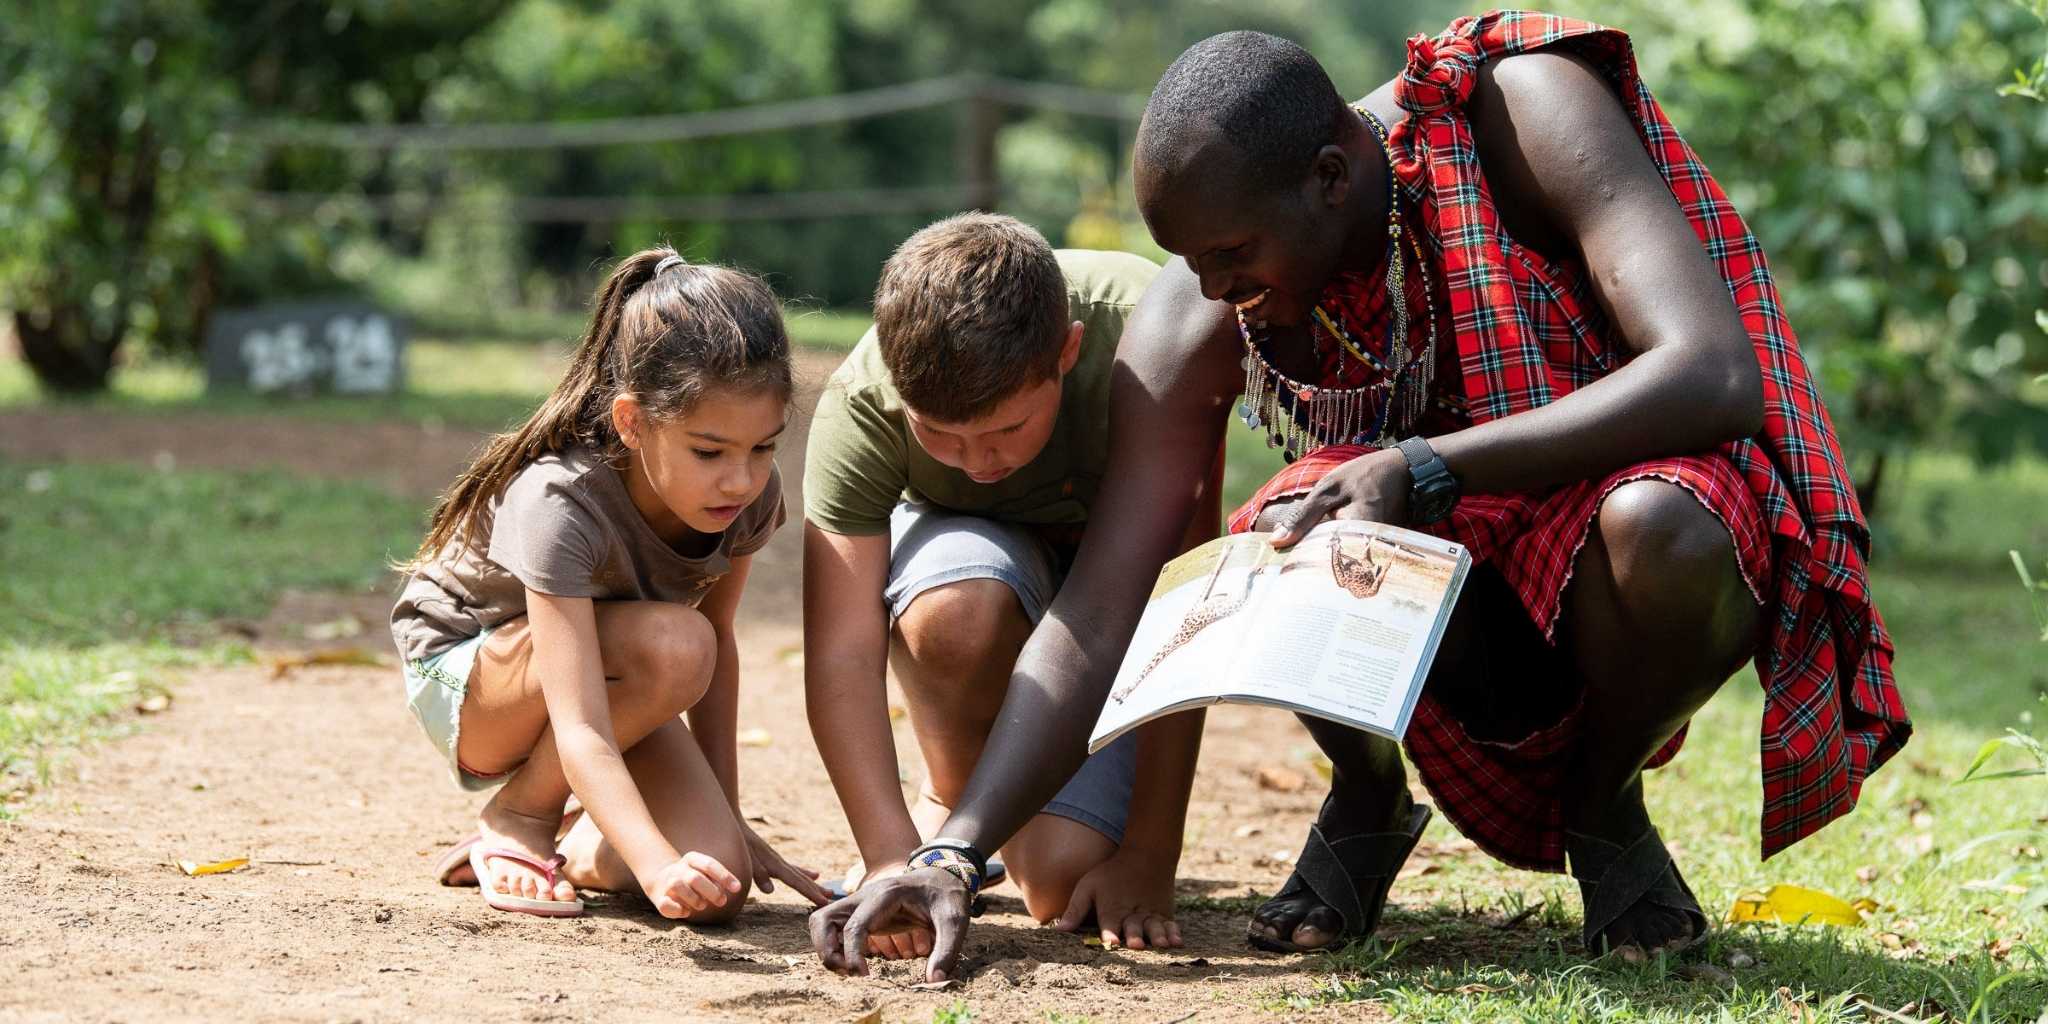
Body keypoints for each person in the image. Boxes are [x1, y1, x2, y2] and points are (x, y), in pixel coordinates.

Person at [810, 14, 1910, 980]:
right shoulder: (1200, 317)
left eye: (1229, 253)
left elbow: (1710, 372)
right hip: (1461, 577)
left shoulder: (1514, 109)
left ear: (1330, 178)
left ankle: (1602, 807)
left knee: (1660, 527)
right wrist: (951, 847)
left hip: (1628, 510)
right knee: (1288, 537)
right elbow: (1099, 611)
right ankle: (1365, 796)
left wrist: (1431, 465)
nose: (1209, 290)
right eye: (1185, 261)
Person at [804, 213, 1215, 957]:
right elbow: (840, 651)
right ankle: (956, 808)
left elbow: (1185, 600)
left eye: (1005, 429)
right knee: (955, 615)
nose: (977, 461)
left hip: (1119, 594)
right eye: (939, 435)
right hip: (978, 570)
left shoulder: (1153, 339)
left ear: (1068, 353)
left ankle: (996, 829)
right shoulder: (865, 399)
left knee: (1062, 880)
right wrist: (887, 854)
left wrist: (1153, 851)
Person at [392, 248, 830, 920]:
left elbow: (720, 645)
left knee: (719, 885)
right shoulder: (559, 501)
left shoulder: (747, 499)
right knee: (677, 646)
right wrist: (655, 864)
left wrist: (727, 819)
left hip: (621, 672)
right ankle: (520, 817)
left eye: (763, 447)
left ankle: (578, 845)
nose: (740, 480)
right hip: (467, 676)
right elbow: (583, 723)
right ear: (632, 422)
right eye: (709, 451)